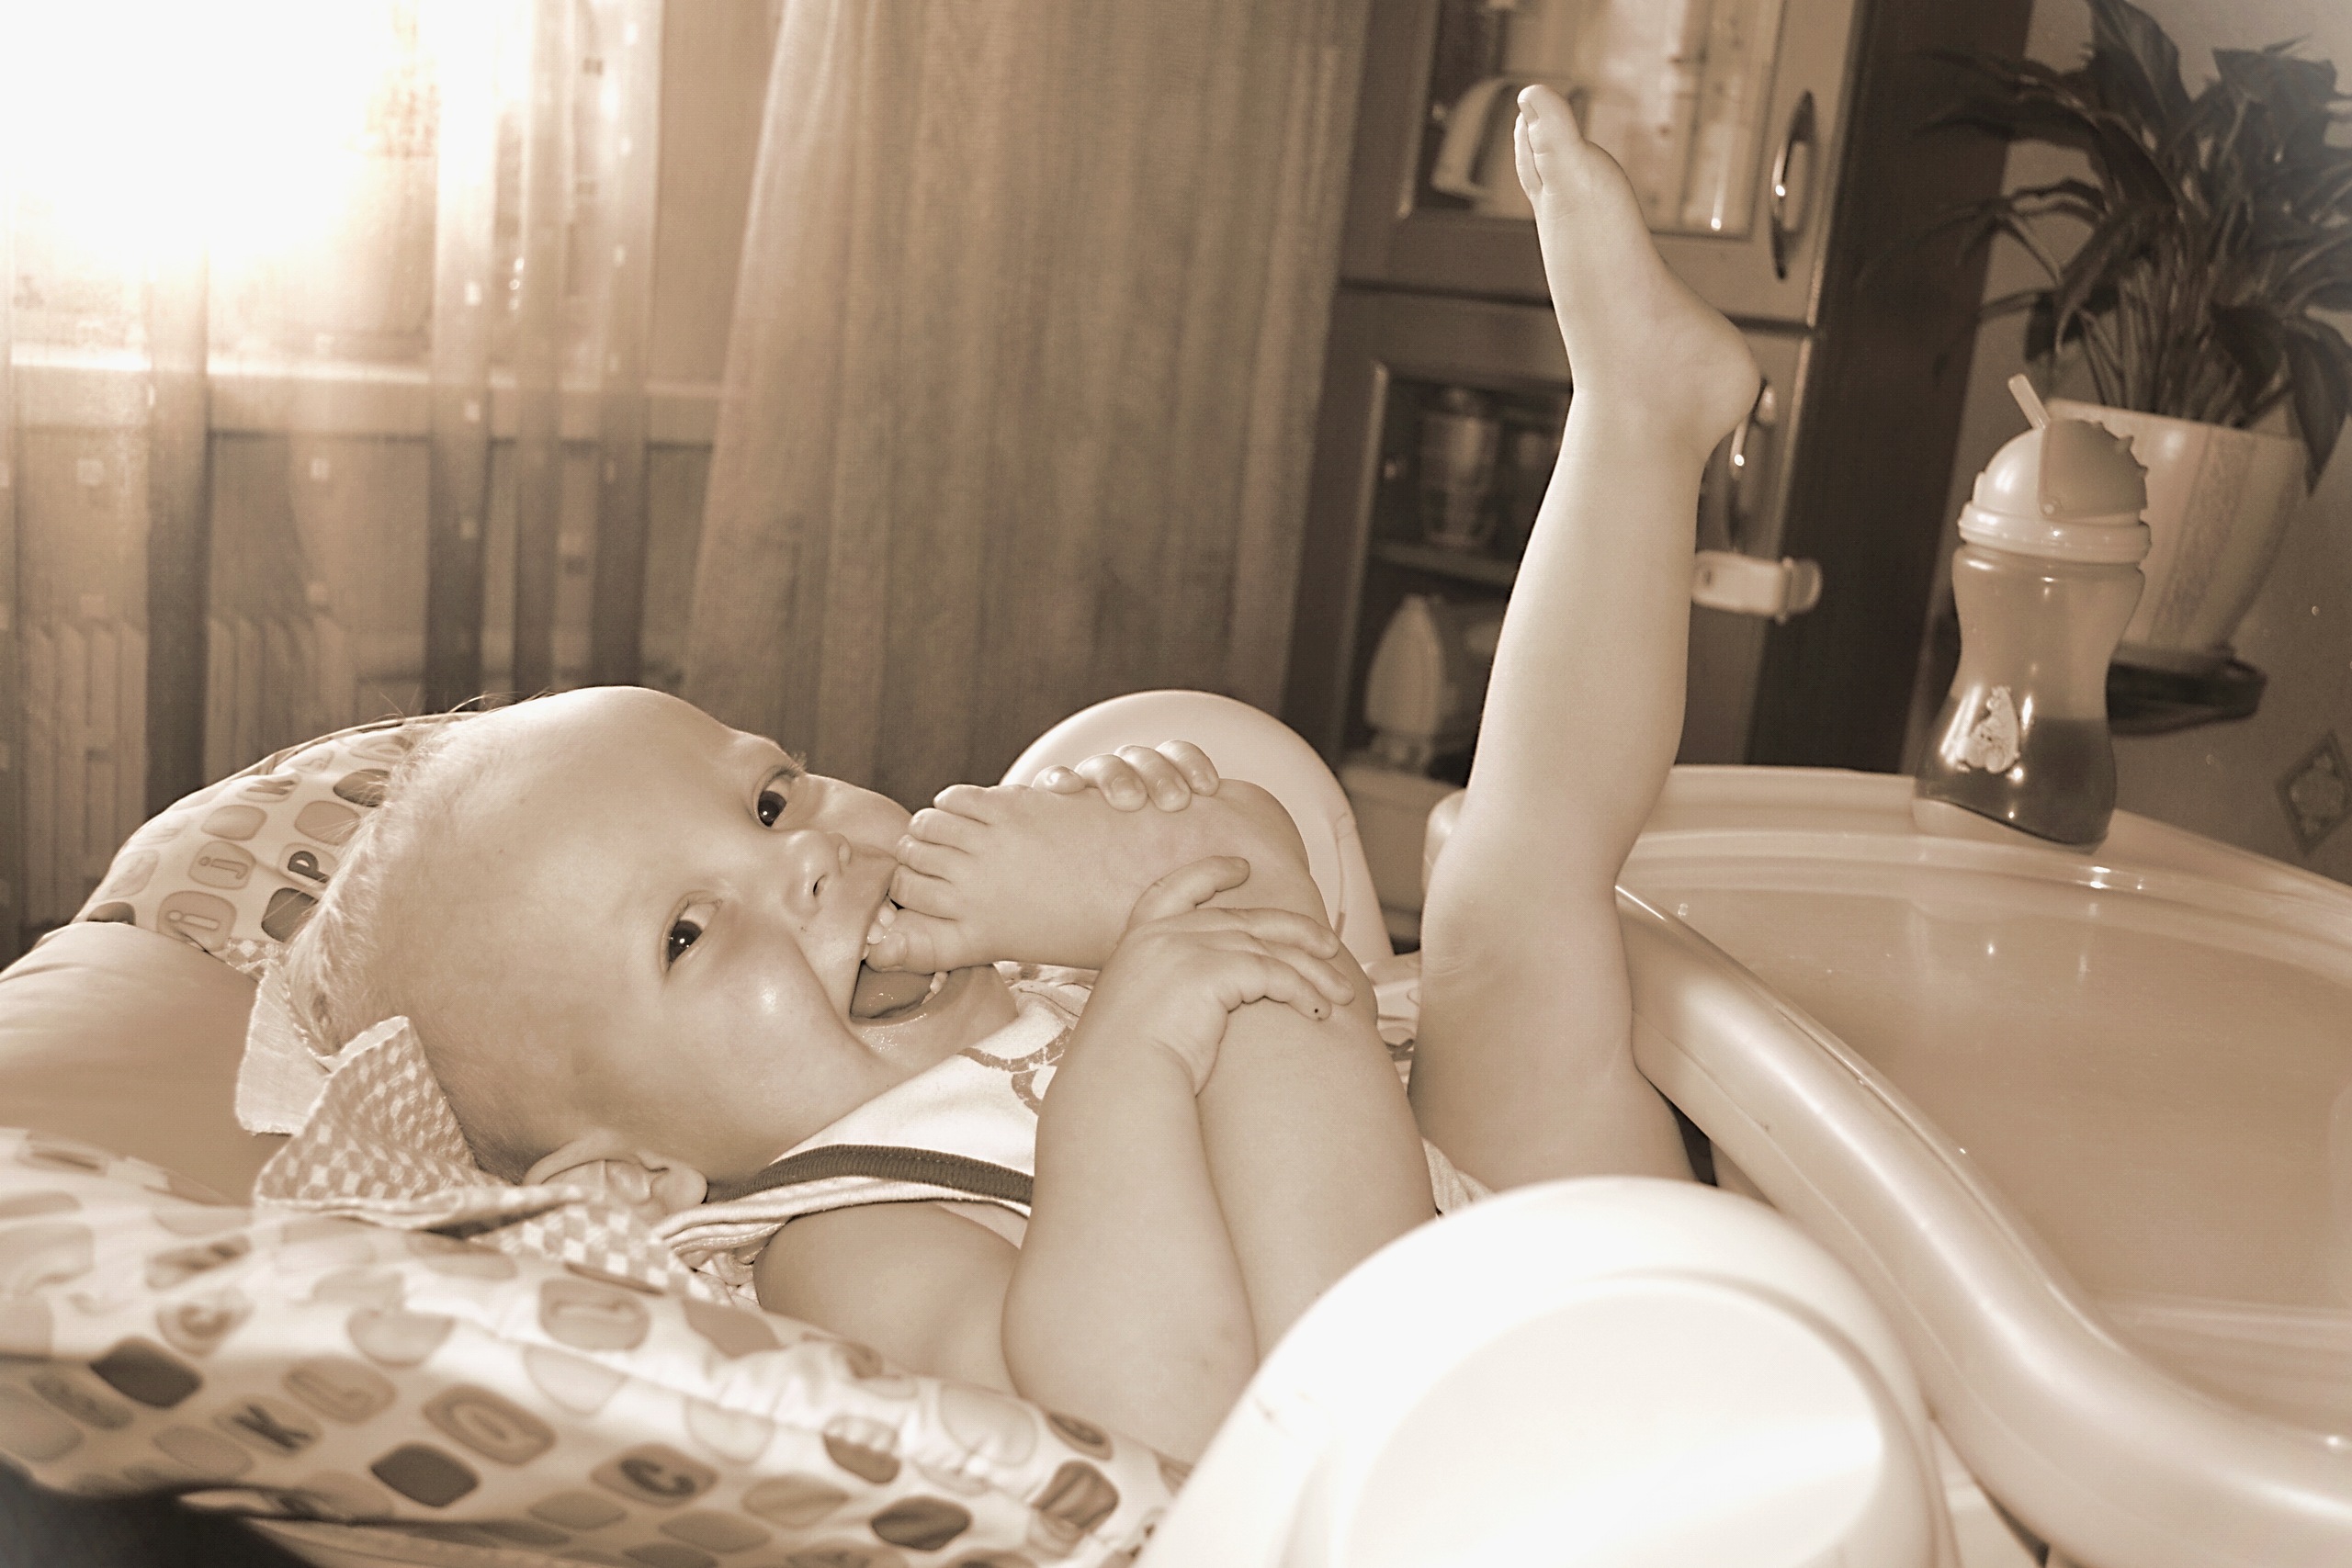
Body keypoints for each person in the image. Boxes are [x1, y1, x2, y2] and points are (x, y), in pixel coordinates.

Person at [275, 85, 1758, 1463]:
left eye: (770, 799)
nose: (802, 861)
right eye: (686, 933)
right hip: (1418, 1458)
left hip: (1498, 1258)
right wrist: (1130, 1052)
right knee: (1270, 919)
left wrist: (1139, 889)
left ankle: (1637, 424)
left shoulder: (1006, 968)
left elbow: (1279, 906)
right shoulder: (843, 1237)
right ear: (634, 1174)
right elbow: (1150, 1425)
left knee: (1509, 887)